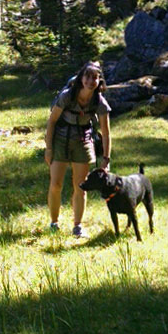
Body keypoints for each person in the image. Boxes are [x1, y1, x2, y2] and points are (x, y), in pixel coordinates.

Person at [44, 61, 112, 237]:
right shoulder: (68, 96)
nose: (91, 81)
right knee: (56, 184)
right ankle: (54, 223)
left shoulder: (99, 102)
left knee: (81, 186)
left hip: (83, 141)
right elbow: (51, 121)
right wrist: (49, 148)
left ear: (99, 81)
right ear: (82, 78)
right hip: (60, 140)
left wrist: (106, 159)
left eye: (95, 78)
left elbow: (106, 133)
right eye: (88, 77)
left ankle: (77, 226)